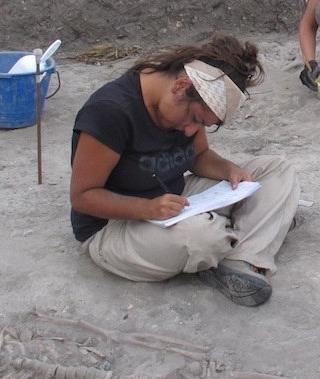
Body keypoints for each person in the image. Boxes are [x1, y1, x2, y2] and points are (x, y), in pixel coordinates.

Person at [69, 34, 300, 307]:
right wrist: (147, 209)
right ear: (181, 86)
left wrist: (228, 169)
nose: (192, 130)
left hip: (173, 201)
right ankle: (250, 229)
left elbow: (198, 157)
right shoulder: (110, 112)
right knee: (202, 236)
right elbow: (83, 196)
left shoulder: (186, 103)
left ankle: (242, 261)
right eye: (195, 119)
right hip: (115, 228)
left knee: (275, 169)